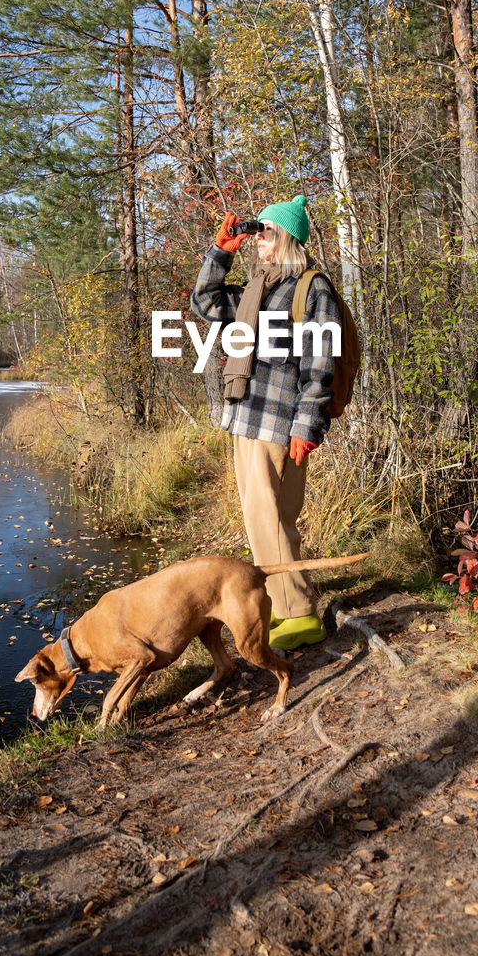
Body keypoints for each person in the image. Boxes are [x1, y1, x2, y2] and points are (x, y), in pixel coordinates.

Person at [190, 194, 341, 651]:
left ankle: (297, 615)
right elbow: (206, 301)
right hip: (248, 416)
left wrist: (306, 425)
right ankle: (287, 607)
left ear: (288, 239)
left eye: (267, 233)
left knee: (268, 522)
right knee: (273, 521)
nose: (259, 241)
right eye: (258, 234)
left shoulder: (310, 288)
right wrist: (221, 252)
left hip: (277, 421)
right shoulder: (258, 289)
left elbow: (321, 362)